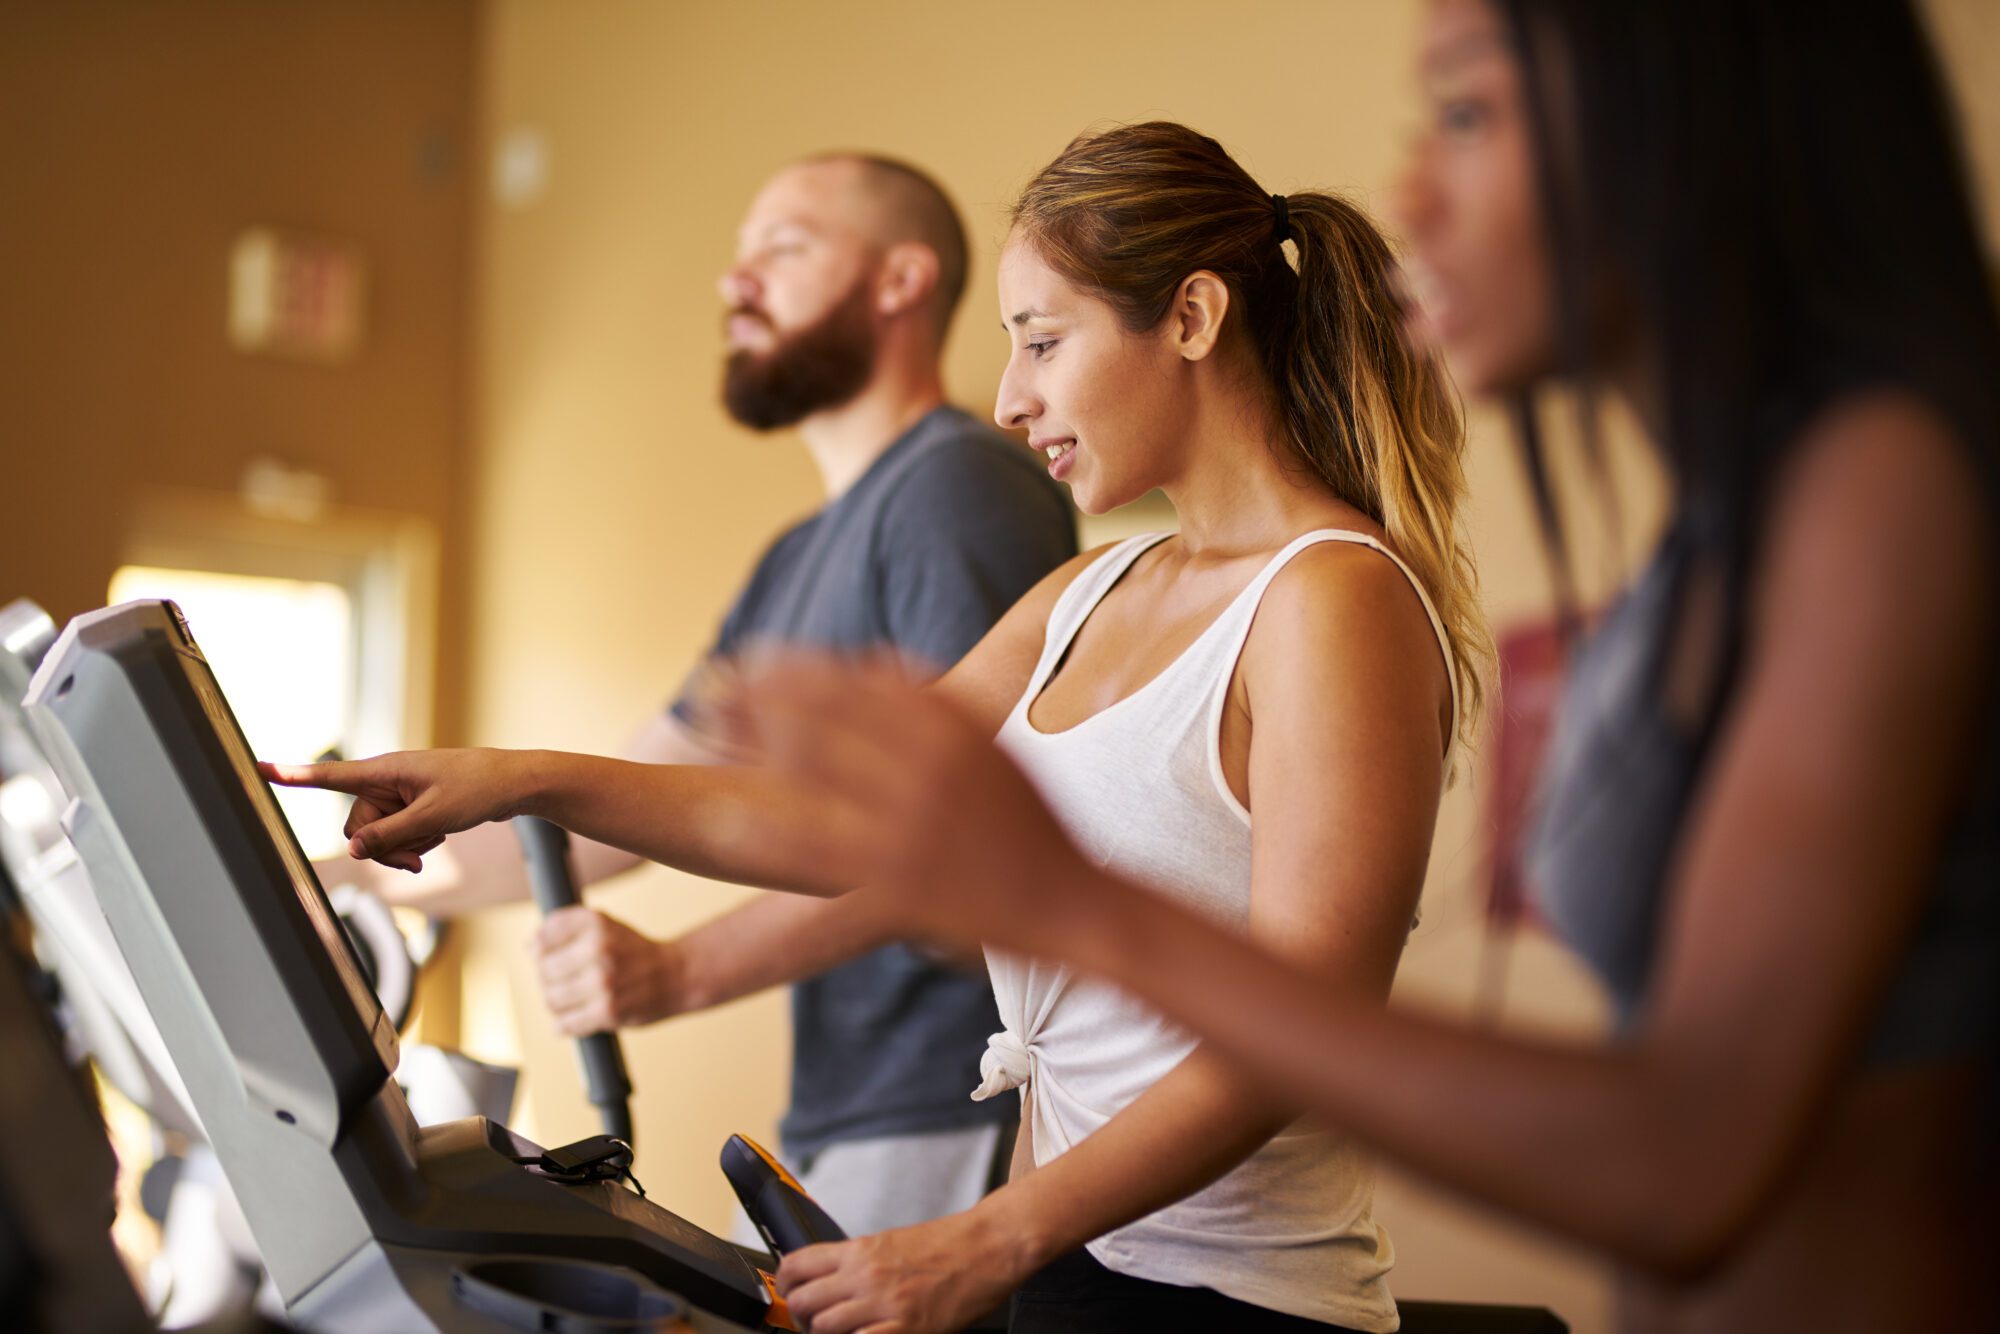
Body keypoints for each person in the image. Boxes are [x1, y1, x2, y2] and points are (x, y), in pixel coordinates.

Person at [719, 2, 2000, 1330]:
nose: (1412, 196)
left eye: (1467, 113)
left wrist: (1068, 908)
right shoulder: (1728, 529)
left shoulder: (1880, 483)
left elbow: (1688, 1153)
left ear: (1680, 123)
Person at [270, 120, 1491, 1331]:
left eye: (1042, 342)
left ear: (1189, 318)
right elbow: (834, 824)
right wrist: (523, 776)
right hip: (1073, 1273)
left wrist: (982, 1237)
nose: (1011, 399)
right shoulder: (1087, 594)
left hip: (1239, 1304)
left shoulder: (1331, 598)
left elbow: (1303, 1026)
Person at [321, 151, 1077, 1237]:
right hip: (846, 1105)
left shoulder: (959, 486)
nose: (735, 283)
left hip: (950, 1093)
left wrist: (680, 969)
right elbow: (619, 808)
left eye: (782, 247)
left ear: (899, 278)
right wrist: (338, 877)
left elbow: (953, 835)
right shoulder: (797, 555)